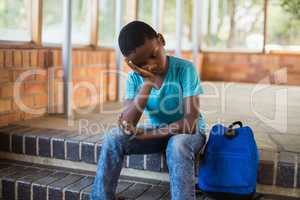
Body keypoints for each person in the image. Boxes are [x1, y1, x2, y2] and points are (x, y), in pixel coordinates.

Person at [91, 20, 206, 200]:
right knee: (113, 138)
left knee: (177, 145)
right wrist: (148, 83)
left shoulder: (185, 69)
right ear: (132, 64)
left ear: (161, 40)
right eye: (142, 64)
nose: (151, 65)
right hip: (158, 133)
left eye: (153, 55)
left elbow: (190, 123)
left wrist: (146, 136)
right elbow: (127, 124)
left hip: (188, 134)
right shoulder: (135, 79)